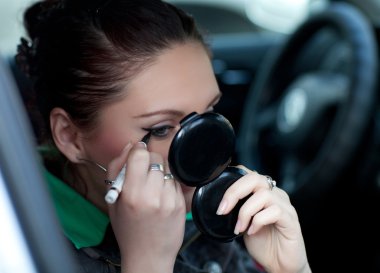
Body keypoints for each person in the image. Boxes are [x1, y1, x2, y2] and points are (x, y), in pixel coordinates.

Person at [16, 0, 312, 272]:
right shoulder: (24, 245)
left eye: (209, 112)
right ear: (70, 136)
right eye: (159, 128)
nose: (204, 152)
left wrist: (291, 270)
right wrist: (148, 263)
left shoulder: (207, 211)